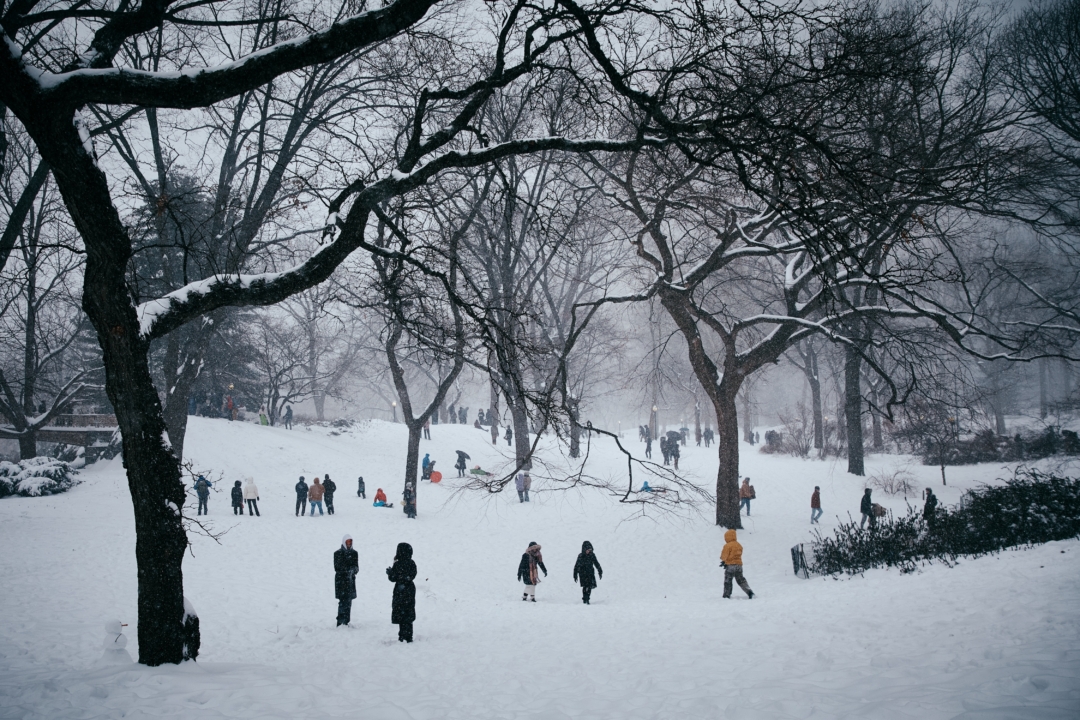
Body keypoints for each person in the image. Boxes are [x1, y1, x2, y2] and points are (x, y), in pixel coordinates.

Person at [387, 542, 417, 642]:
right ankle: (407, 636)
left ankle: (404, 636)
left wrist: (393, 575)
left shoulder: (400, 563)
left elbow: (395, 578)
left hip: (402, 590)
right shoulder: (409, 563)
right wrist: (391, 574)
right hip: (406, 590)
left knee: (403, 614)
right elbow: (411, 575)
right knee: (406, 614)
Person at [720, 529, 754, 599]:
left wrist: (724, 561)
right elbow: (738, 554)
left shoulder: (727, 545)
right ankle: (749, 592)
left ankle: (727, 595)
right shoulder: (739, 545)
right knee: (740, 580)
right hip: (739, 565)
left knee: (728, 580)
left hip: (730, 566)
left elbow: (724, 555)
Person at [334, 535, 359, 627]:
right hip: (341, 582)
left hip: (350, 581)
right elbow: (337, 567)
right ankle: (340, 622)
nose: (349, 543)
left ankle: (346, 621)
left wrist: (352, 571)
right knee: (342, 602)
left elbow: (356, 567)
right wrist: (348, 570)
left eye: (350, 541)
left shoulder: (354, 553)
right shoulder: (337, 553)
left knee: (348, 602)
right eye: (348, 542)